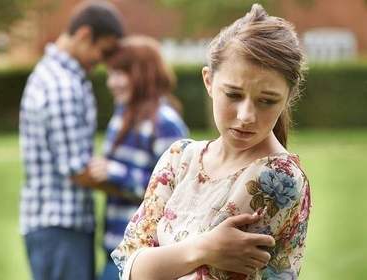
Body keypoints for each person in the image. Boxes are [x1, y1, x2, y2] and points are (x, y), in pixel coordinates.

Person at [111, 4, 311, 280]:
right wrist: (204, 247)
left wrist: (161, 260)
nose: (246, 116)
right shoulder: (179, 157)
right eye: (233, 94)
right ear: (208, 81)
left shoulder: (278, 177)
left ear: (288, 97)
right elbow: (129, 267)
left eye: (267, 101)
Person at [18, 2, 124, 280]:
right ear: (84, 35)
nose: (101, 61)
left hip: (59, 227)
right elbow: (79, 171)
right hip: (60, 227)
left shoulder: (60, 76)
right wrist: (142, 187)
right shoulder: (61, 86)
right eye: (103, 50)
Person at [87, 36, 189, 280]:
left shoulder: (165, 123)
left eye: (119, 74)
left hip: (144, 257)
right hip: (115, 249)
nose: (111, 83)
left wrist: (116, 173)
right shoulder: (121, 117)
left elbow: (178, 190)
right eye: (110, 74)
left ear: (142, 74)